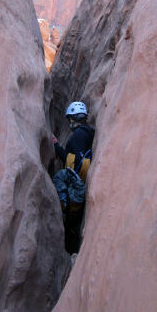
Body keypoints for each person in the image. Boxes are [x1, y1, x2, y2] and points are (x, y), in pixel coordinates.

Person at [52, 101, 95, 253]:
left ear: (73, 119)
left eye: (69, 119)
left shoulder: (78, 135)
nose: (69, 122)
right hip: (82, 185)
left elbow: (76, 163)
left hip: (76, 188)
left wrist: (57, 149)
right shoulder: (88, 132)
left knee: (57, 180)